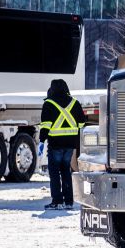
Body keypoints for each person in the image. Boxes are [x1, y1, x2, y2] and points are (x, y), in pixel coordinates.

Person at [39, 78, 85, 210]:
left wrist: (41, 141)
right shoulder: (75, 103)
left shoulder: (48, 103)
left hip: (55, 145)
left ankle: (57, 201)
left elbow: (45, 126)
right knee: (66, 172)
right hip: (70, 145)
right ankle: (69, 201)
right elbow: (81, 124)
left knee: (54, 174)